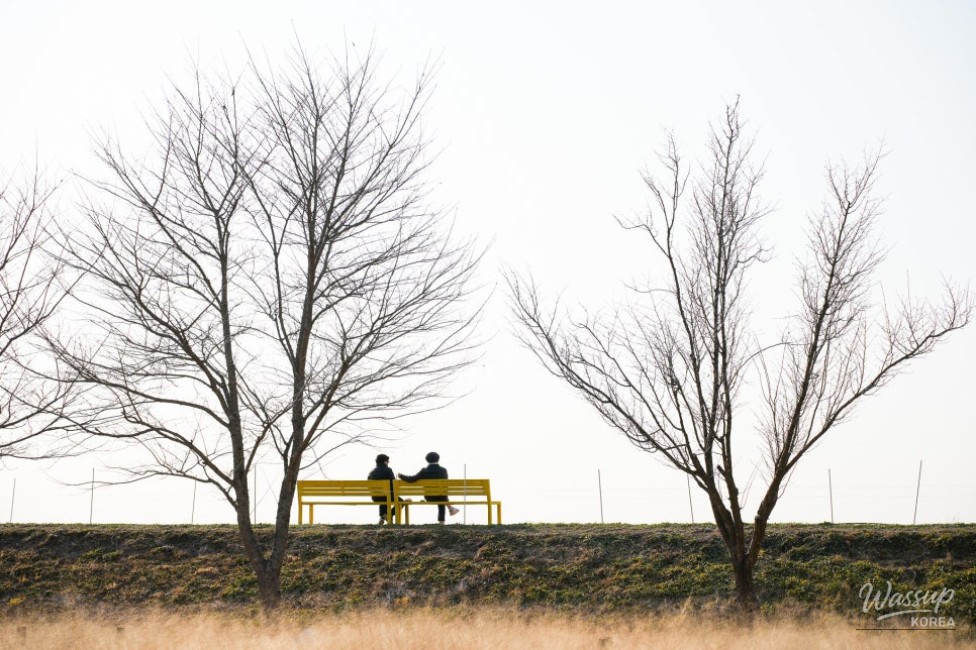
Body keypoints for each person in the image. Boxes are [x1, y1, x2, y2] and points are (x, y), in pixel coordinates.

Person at [398, 451, 460, 524]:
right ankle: (442, 520)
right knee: (442, 495)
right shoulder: (443, 470)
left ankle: (450, 508)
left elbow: (412, 479)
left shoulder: (424, 471)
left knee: (440, 494)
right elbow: (445, 484)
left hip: (429, 497)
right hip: (442, 496)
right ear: (438, 459)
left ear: (427, 460)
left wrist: (401, 476)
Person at [367, 454, 397, 525]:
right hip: (386, 496)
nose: (388, 462)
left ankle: (383, 516)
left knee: (383, 498)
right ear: (385, 462)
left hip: (375, 496)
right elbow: (393, 483)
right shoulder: (388, 470)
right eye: (388, 461)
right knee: (401, 502)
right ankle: (388, 515)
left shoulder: (371, 472)